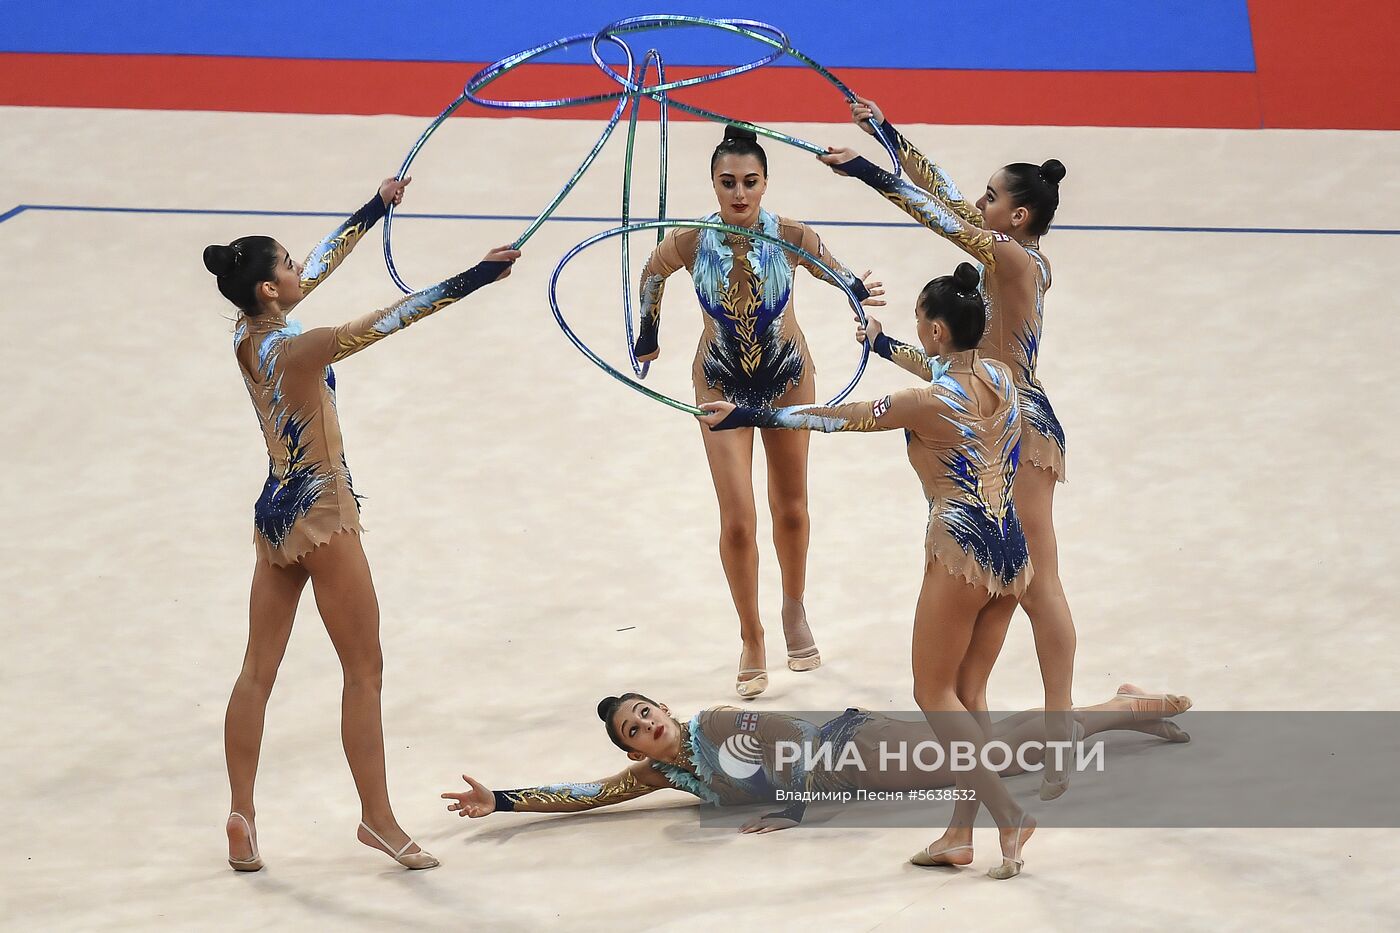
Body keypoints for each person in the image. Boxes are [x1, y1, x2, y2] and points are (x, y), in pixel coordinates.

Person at [206, 175, 519, 871]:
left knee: (258, 669)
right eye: (285, 267)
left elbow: (315, 268)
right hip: (323, 513)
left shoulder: (248, 337)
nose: (298, 272)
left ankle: (241, 813)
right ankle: (377, 818)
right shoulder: (301, 347)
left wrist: (375, 209)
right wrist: (476, 276)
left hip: (275, 513)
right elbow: (389, 319)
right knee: (364, 669)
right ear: (267, 289)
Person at [695, 263, 1038, 877]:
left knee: (933, 693)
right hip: (1013, 552)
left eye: (918, 330)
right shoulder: (1004, 376)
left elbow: (836, 416)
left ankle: (1009, 814)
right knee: (970, 693)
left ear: (935, 330)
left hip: (960, 551)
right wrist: (880, 345)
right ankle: (960, 832)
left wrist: (750, 415)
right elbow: (942, 370)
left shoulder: (922, 402)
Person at [832, 98, 1080, 799]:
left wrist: (867, 175)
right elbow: (943, 192)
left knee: (1038, 582)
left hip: (1019, 422)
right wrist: (883, 132)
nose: (980, 202)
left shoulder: (1012, 260)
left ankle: (1059, 731)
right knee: (1018, 580)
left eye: (993, 196)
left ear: (1019, 215)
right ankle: (986, 729)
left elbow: (933, 212)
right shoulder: (1016, 253)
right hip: (1000, 402)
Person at [631, 124, 885, 697]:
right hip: (720, 382)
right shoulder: (693, 241)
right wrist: (646, 332)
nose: (739, 193)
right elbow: (651, 272)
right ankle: (751, 635)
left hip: (788, 378)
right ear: (713, 185)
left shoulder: (791, 234)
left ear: (766, 182)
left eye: (749, 182)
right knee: (738, 519)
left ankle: (794, 608)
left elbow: (838, 274)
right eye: (728, 183)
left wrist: (859, 295)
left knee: (790, 507)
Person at [441, 686, 1191, 860]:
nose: (646, 723)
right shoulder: (662, 775)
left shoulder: (713, 724)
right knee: (1005, 749)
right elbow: (586, 795)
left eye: (645, 709)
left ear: (663, 704)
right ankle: (1121, 707)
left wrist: (794, 812)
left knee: (1007, 748)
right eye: (633, 730)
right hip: (856, 773)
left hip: (859, 745)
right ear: (636, 749)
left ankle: (1122, 706)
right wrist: (501, 798)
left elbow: (797, 742)